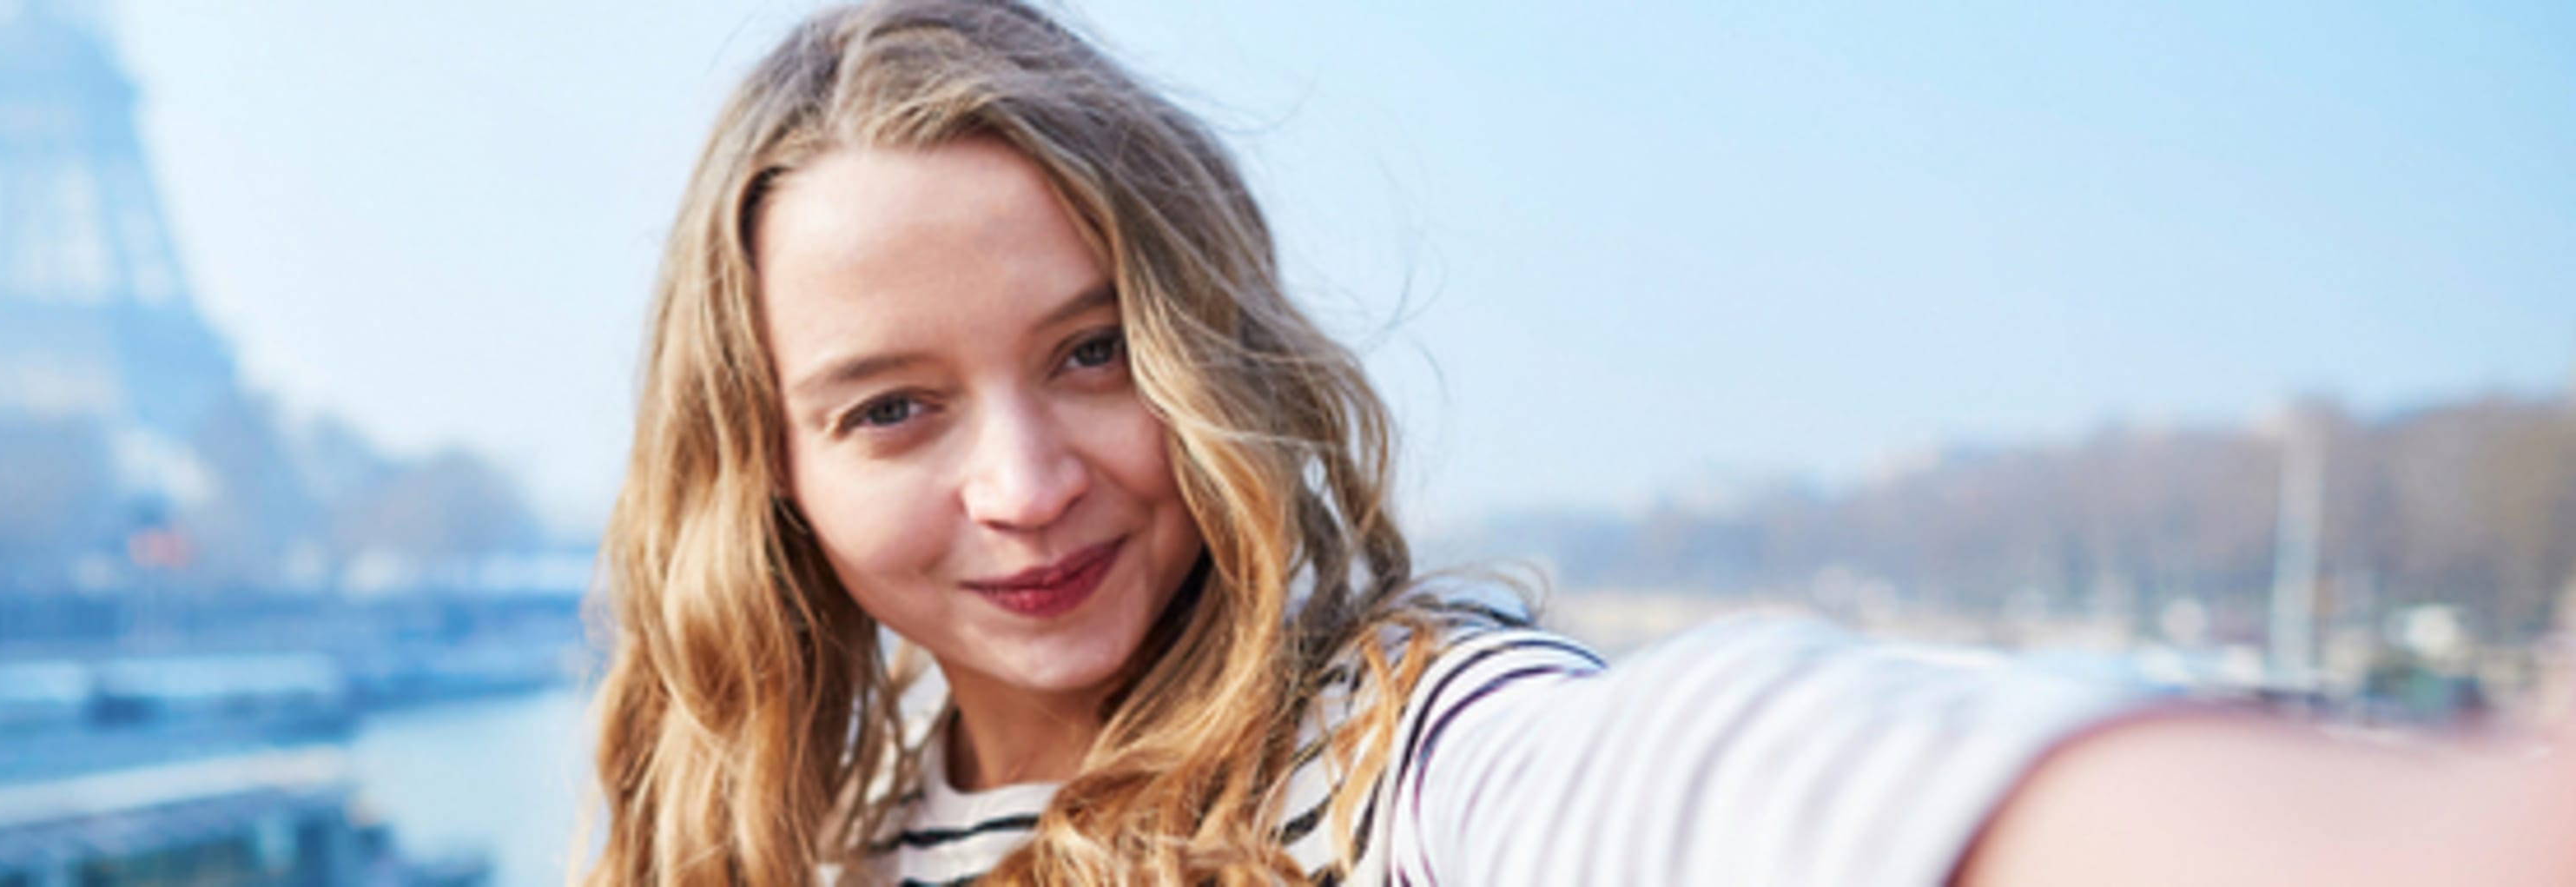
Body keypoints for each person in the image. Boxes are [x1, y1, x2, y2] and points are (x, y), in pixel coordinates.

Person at [581, 1, 2576, 884]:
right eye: (894, 408)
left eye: (1095, 352)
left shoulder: (1398, 762)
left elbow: (1708, 779)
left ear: (1210, 349)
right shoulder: (804, 851)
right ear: (771, 464)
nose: (1022, 483)